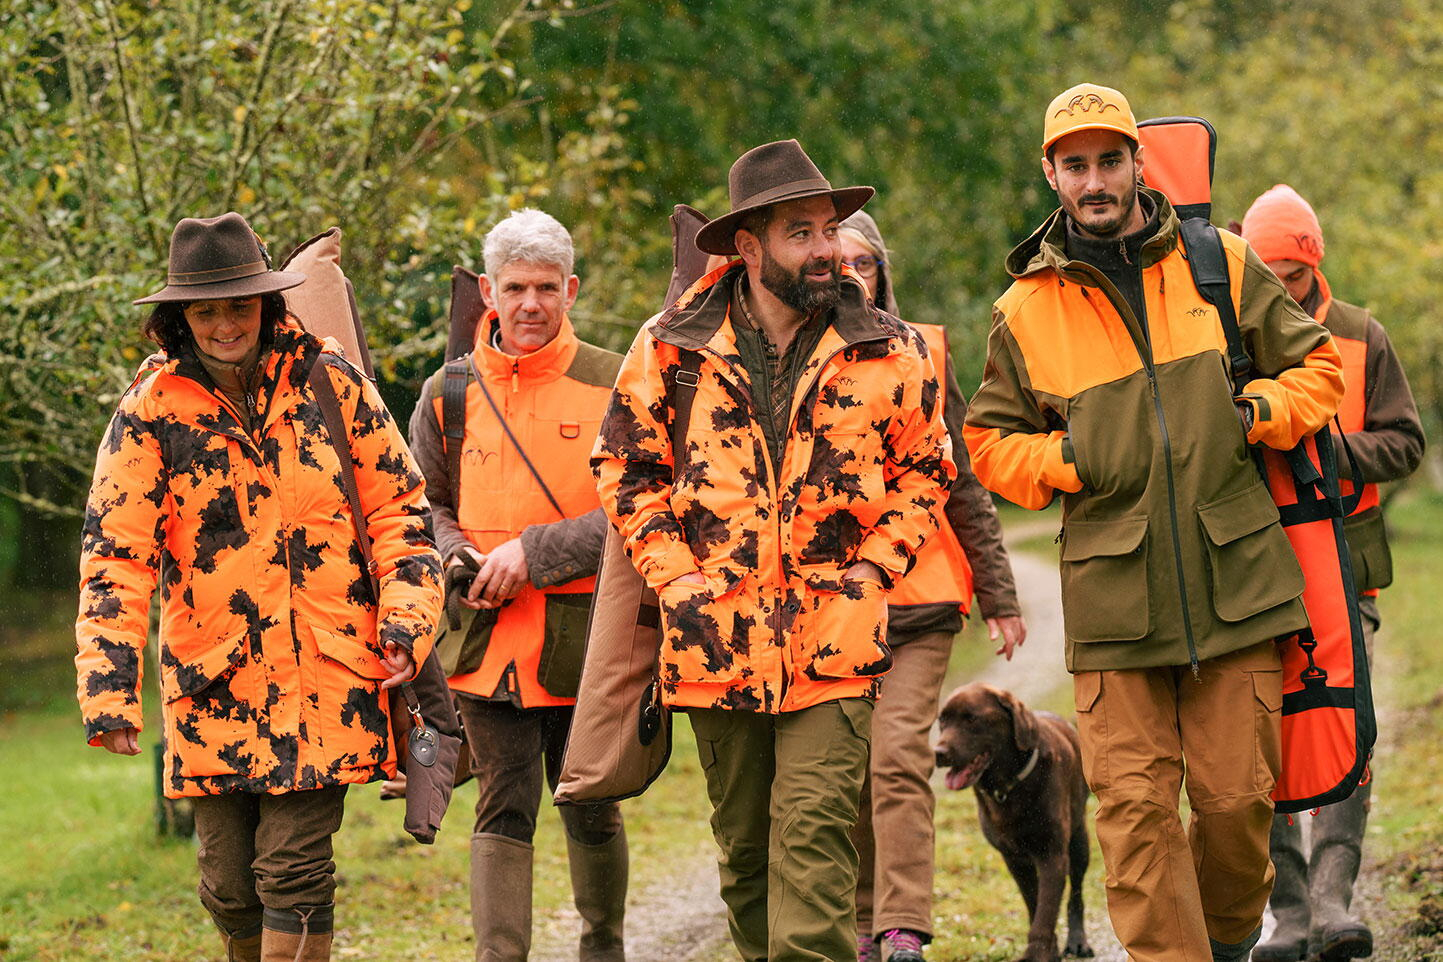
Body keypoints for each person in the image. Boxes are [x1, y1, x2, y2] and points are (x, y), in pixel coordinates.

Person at [964, 84, 1346, 962]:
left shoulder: (1221, 263)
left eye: (1109, 160)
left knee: (1236, 807)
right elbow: (989, 443)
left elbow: (1317, 369)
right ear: (1052, 175)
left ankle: (1225, 940)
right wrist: (1071, 460)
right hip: (1113, 599)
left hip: (1236, 584)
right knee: (1134, 815)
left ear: (1138, 162)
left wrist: (1255, 414)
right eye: (1075, 165)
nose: (1094, 180)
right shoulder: (1024, 307)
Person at [593, 139, 955, 962]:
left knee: (813, 841)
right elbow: (623, 467)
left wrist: (874, 569)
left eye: (828, 229)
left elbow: (929, 466)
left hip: (836, 641)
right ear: (748, 248)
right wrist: (675, 580)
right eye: (802, 233)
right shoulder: (672, 346)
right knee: (747, 853)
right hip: (714, 641)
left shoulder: (887, 346)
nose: (826, 249)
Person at [75, 212, 443, 962]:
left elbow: (402, 511)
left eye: (238, 306)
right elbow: (116, 555)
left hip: (326, 676)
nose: (224, 326)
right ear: (179, 319)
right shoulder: (150, 410)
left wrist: (407, 622)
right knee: (227, 887)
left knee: (294, 872)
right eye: (205, 310)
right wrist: (110, 691)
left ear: (267, 304)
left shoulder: (330, 382)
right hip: (210, 685)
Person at [408, 209, 628, 962]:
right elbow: (423, 504)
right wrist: (454, 554)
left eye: (545, 288)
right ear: (487, 292)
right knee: (503, 806)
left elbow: (639, 505)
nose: (530, 304)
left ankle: (603, 948)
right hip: (484, 640)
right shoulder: (447, 392)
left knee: (590, 804)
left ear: (571, 289)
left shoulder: (617, 380)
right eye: (514, 288)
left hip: (587, 638)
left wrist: (535, 553)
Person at [1241, 185, 1426, 962]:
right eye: (1266, 274)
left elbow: (1404, 442)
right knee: (1261, 740)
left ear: (1312, 262)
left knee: (1349, 729)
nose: (1280, 289)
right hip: (1254, 574)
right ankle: (1286, 914)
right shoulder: (1231, 334)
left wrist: (1324, 450)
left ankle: (1330, 900)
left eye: (1291, 273)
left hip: (1347, 571)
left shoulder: (1359, 335)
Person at [837, 211, 1025, 962]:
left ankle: (902, 927)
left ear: (883, 273)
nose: (850, 275)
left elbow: (964, 482)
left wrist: (999, 596)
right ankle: (862, 924)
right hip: (830, 607)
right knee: (850, 771)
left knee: (895, 759)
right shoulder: (790, 356)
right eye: (837, 262)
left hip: (922, 599)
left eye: (863, 263)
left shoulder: (923, 352)